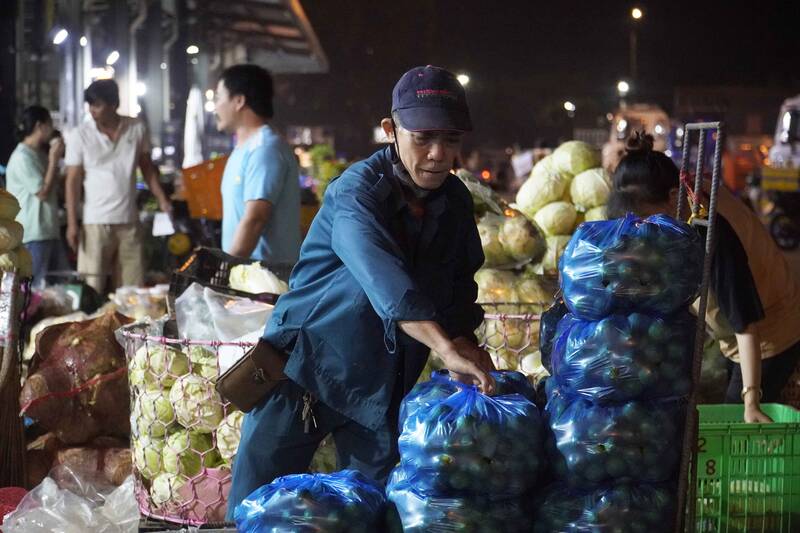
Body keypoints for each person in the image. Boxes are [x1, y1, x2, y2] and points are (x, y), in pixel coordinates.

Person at [226, 65, 495, 517]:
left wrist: (465, 343)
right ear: (391, 130)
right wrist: (444, 347)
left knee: (368, 514)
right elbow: (384, 277)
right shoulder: (355, 192)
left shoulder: (454, 202)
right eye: (423, 138)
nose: (437, 154)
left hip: (380, 384)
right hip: (305, 369)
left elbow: (457, 286)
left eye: (450, 140)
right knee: (256, 507)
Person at [607, 132, 800, 423]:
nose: (643, 230)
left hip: (770, 333)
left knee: (738, 424)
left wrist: (750, 401)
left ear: (673, 198)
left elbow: (745, 323)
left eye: (646, 219)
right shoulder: (687, 199)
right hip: (734, 333)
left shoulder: (712, 234)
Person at [64, 79, 171, 294]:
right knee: (91, 289)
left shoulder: (137, 128)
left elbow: (147, 169)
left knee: (133, 291)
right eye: (90, 106)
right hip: (95, 222)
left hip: (129, 222)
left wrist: (163, 200)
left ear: (113, 104)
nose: (92, 111)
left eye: (98, 105)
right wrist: (72, 223)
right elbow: (72, 181)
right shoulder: (80, 135)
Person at [214, 64, 301, 263]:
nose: (215, 106)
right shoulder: (243, 149)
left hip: (265, 284)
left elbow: (255, 219)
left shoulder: (265, 149)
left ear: (238, 101)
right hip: (246, 279)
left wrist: (224, 269)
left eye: (218, 97)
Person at [5, 106, 70, 287]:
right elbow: (42, 192)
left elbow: (54, 186)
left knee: (59, 286)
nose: (52, 129)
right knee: (35, 288)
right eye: (50, 124)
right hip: (33, 232)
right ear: (40, 126)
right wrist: (54, 158)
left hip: (48, 230)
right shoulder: (22, 157)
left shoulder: (39, 154)